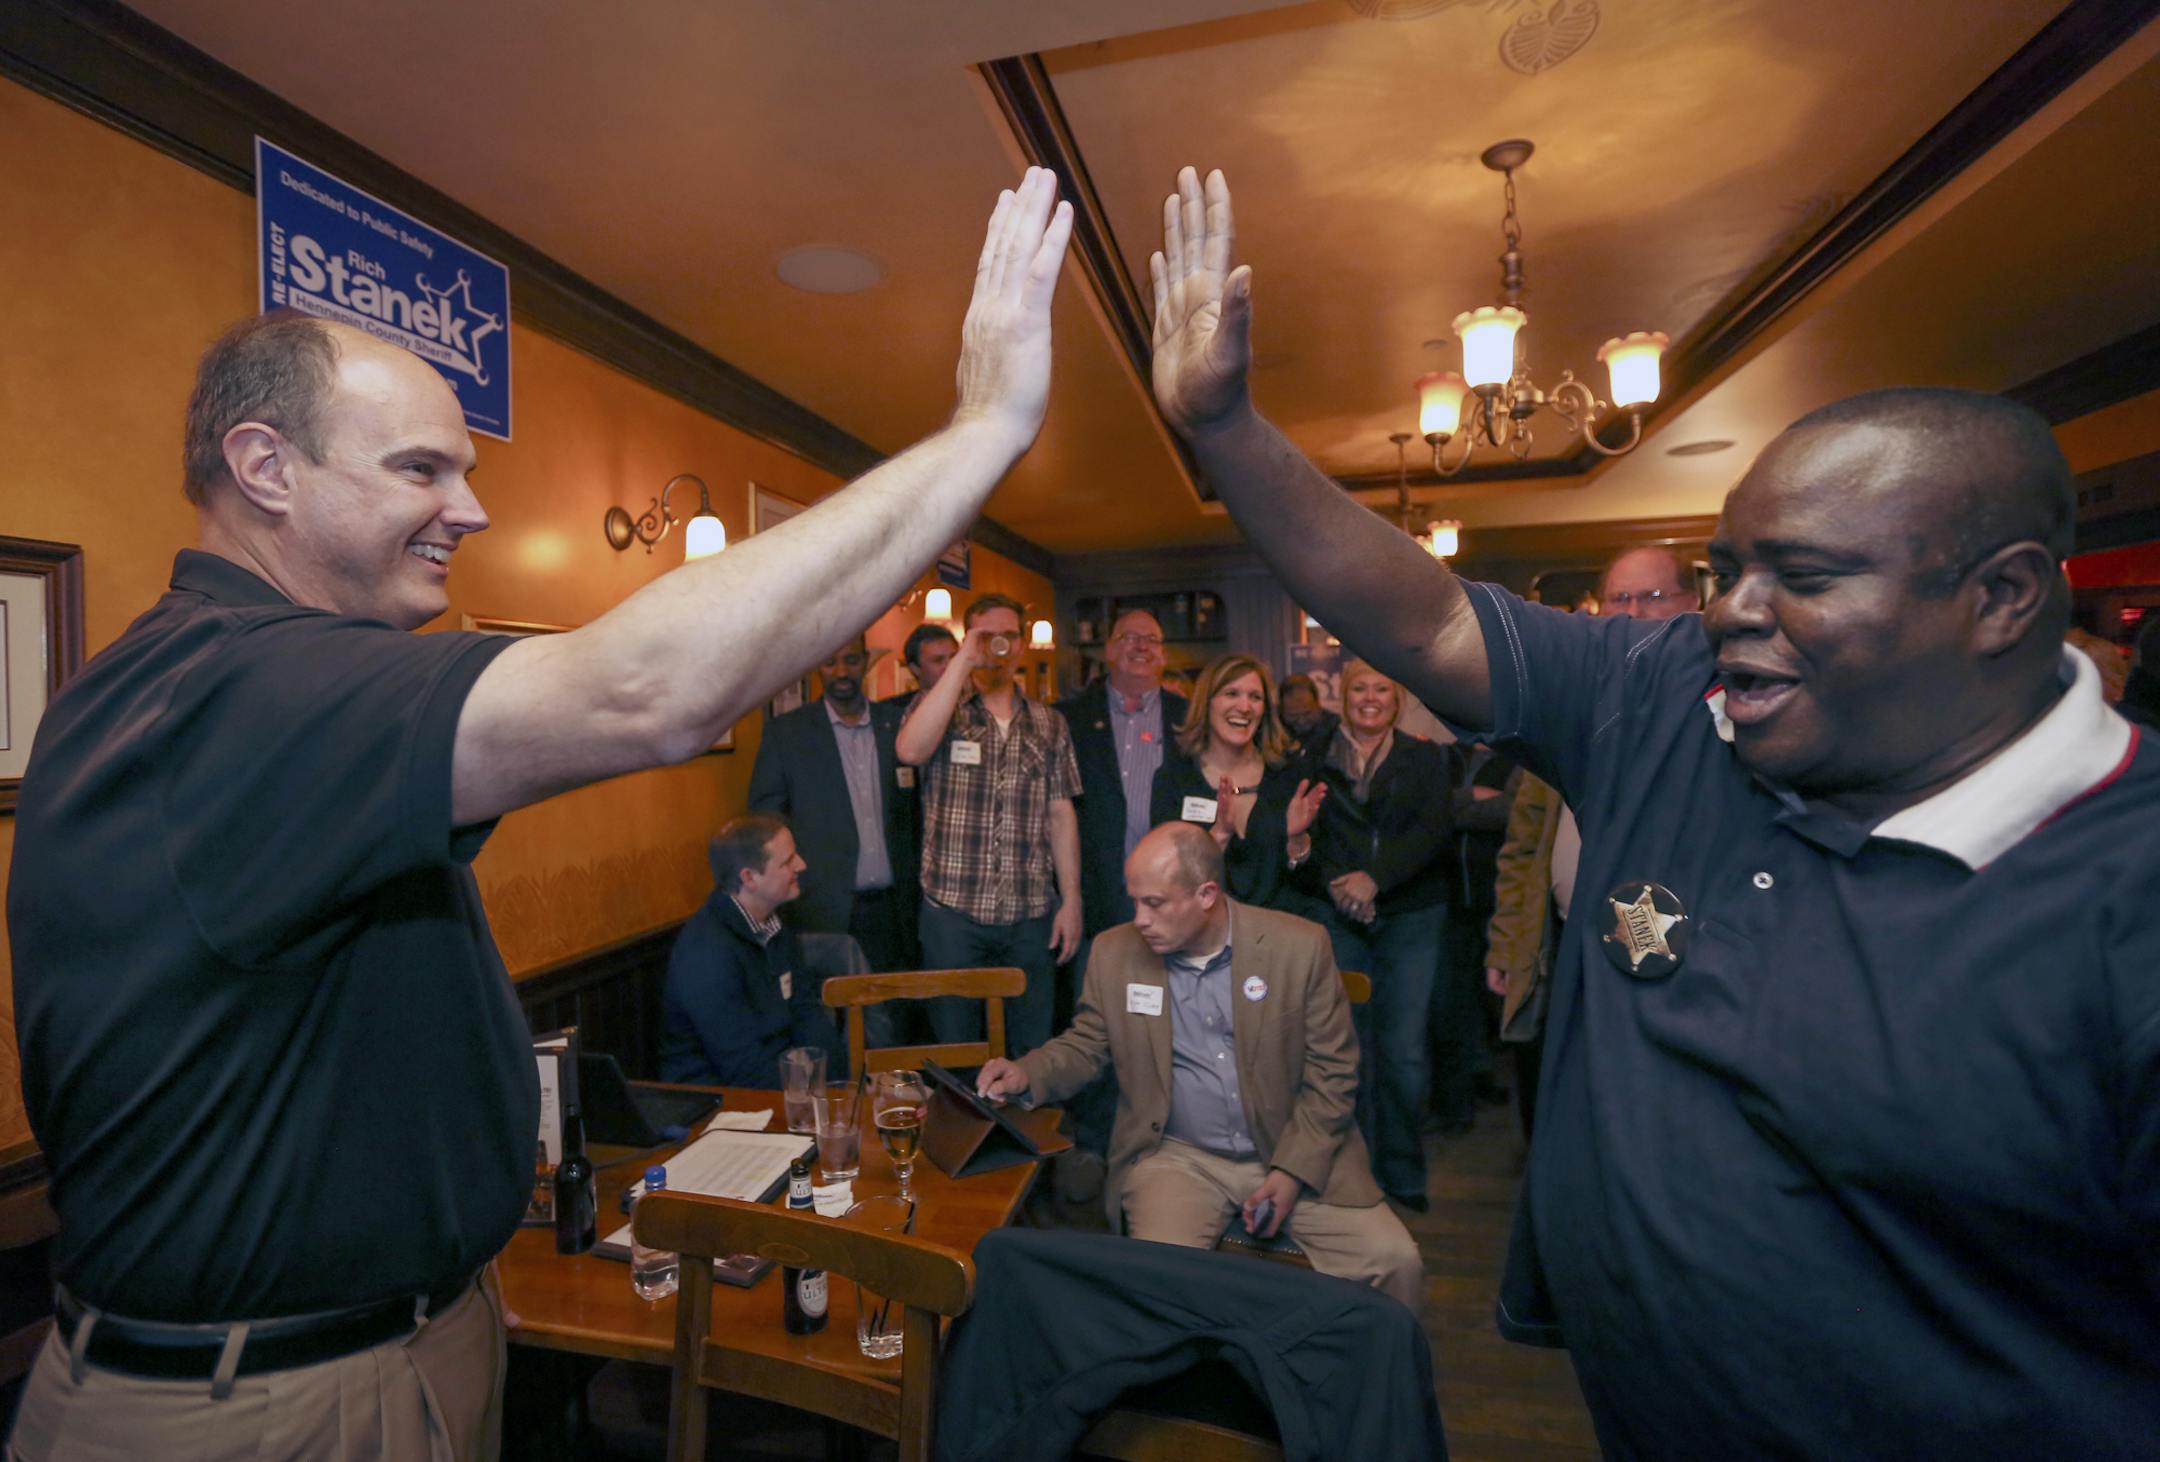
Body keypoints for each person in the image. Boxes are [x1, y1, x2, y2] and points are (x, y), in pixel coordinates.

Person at [5, 167, 1073, 1460]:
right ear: (263, 467)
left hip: (383, 1345)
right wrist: (980, 433)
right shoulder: (234, 688)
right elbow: (651, 689)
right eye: (418, 469)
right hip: (276, 1398)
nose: (471, 507)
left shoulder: (266, 683)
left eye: (464, 467)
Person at [1143, 165, 2157, 1457]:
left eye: (1805, 576)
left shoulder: (2129, 890)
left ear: (2004, 598)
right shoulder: (1660, 691)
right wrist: (1227, 430)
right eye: (1726, 568)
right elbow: (1432, 612)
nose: (1734, 608)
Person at [976, 824, 1424, 1311]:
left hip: (1290, 1146)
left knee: (1396, 1262)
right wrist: (1029, 1075)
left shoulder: (1298, 947)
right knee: (1155, 1287)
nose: (1140, 919)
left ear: (1207, 894)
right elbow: (1086, 1045)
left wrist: (1292, 1172)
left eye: (1155, 903)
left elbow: (1333, 1076)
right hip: (1178, 1157)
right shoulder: (1114, 953)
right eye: (1135, 902)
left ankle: (1374, 1385)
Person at [1484, 550, 1699, 1141]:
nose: (1632, 613)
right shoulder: (1571, 711)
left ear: (1693, 606)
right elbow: (1523, 846)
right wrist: (1508, 944)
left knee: (1639, 1111)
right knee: (1553, 1099)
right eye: (1619, 600)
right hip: (1560, 945)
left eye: (1652, 598)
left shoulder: (1720, 710)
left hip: (1664, 960)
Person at [897, 592, 1083, 1054]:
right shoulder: (940, 708)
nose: (999, 644)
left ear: (1021, 644)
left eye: (1009, 636)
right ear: (970, 637)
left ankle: (1019, 1128)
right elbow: (910, 751)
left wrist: (1072, 899)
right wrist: (964, 661)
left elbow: (1060, 814)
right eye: (987, 634)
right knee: (955, 1046)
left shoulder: (1050, 723)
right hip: (953, 913)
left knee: (1029, 1048)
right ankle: (960, 1126)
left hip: (1030, 913)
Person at [1311, 660, 1453, 1210]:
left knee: (1402, 1052)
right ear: (1342, 697)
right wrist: (1340, 887)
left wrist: (1377, 880)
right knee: (1347, 1049)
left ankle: (1403, 1172)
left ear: (1397, 700)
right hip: (1340, 915)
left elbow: (1433, 831)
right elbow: (1308, 834)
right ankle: (1355, 1171)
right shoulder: (1315, 755)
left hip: (1413, 916)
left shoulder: (1424, 757)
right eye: (1359, 689)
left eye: (1381, 688)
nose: (1370, 698)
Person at [749, 636, 917, 972]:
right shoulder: (787, 734)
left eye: (852, 661)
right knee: (830, 1015)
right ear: (816, 667)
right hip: (822, 909)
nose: (841, 671)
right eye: (830, 663)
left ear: (865, 662)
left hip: (897, 909)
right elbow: (766, 821)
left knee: (895, 1016)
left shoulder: (899, 726)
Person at [660, 815, 843, 1086]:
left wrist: (836, 1086)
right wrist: (808, 1100)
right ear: (749, 878)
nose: (801, 865)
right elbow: (742, 1068)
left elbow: (807, 1013)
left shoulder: (775, 925)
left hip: (783, 1087)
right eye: (787, 861)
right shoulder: (707, 952)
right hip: (720, 1104)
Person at [1149, 654, 1328, 920]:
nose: (1244, 707)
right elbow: (1169, 878)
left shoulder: (1291, 774)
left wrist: (1296, 839)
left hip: (1284, 929)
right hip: (1204, 932)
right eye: (1231, 693)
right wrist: (1219, 835)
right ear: (1206, 702)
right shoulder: (1174, 778)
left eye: (1255, 697)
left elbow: (1314, 880)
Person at [1278, 672, 1338, 761]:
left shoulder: (1336, 728)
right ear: (1281, 710)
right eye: (1293, 716)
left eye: (1307, 713)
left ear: (1318, 705)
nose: (1301, 721)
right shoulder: (1271, 729)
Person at [900, 620, 959, 697]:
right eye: (938, 660)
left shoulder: (976, 703)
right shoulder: (898, 708)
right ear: (915, 669)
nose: (950, 665)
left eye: (954, 658)